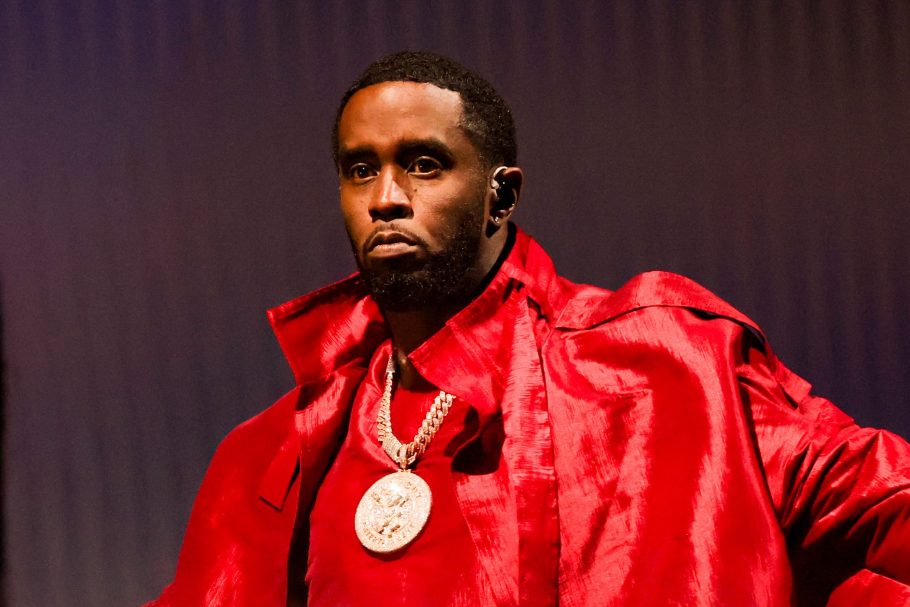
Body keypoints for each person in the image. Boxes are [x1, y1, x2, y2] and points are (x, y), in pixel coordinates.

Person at [147, 51, 910, 607]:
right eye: (358, 169)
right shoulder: (268, 458)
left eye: (422, 164)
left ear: (500, 195)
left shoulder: (668, 365)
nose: (384, 197)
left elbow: (876, 496)